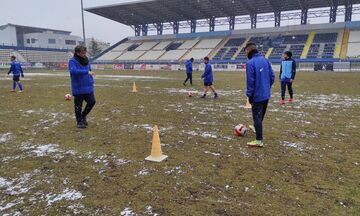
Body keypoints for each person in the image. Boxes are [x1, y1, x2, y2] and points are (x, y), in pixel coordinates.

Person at [244, 42, 275, 147]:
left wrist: (249, 95)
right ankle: (256, 128)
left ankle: (259, 140)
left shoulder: (250, 63)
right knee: (260, 115)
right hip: (266, 94)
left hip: (257, 95)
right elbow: (272, 76)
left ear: (248, 50)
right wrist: (267, 87)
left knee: (256, 116)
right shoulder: (266, 60)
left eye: (245, 52)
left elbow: (250, 81)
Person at [69, 45, 96, 129]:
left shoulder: (86, 60)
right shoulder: (72, 61)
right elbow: (73, 71)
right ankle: (79, 122)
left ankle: (83, 115)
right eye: (82, 53)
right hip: (78, 87)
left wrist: (91, 81)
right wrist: (86, 72)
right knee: (78, 105)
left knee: (92, 102)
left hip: (88, 86)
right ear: (77, 53)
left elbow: (89, 71)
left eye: (85, 52)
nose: (84, 54)